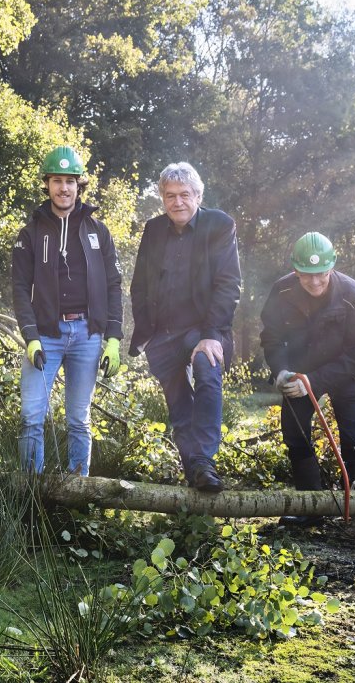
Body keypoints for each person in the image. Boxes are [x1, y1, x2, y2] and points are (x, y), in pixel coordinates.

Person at [129, 162, 241, 493]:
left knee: (207, 371)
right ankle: (195, 473)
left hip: (203, 329)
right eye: (170, 196)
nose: (177, 202)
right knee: (178, 404)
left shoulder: (219, 225)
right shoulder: (153, 230)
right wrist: (145, 333)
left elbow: (229, 284)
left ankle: (204, 458)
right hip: (163, 333)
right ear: (162, 198)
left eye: (184, 195)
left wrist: (210, 334)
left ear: (198, 196)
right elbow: (139, 285)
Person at [11, 145, 123, 476]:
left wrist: (113, 338)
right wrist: (30, 337)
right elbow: (19, 289)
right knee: (32, 415)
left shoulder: (98, 231)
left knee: (78, 417)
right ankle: (32, 492)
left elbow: (114, 285)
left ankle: (78, 490)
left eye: (70, 181)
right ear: (46, 184)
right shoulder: (30, 233)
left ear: (79, 186)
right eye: (57, 180)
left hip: (88, 334)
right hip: (45, 335)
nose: (64, 188)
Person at [260, 232, 355, 542]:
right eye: (306, 276)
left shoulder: (354, 296)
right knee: (295, 435)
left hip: (345, 373)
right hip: (299, 373)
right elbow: (271, 337)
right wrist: (281, 369)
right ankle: (311, 507)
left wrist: (319, 380)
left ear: (332, 266)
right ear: (295, 271)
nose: (314, 283)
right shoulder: (281, 290)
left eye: (321, 275)